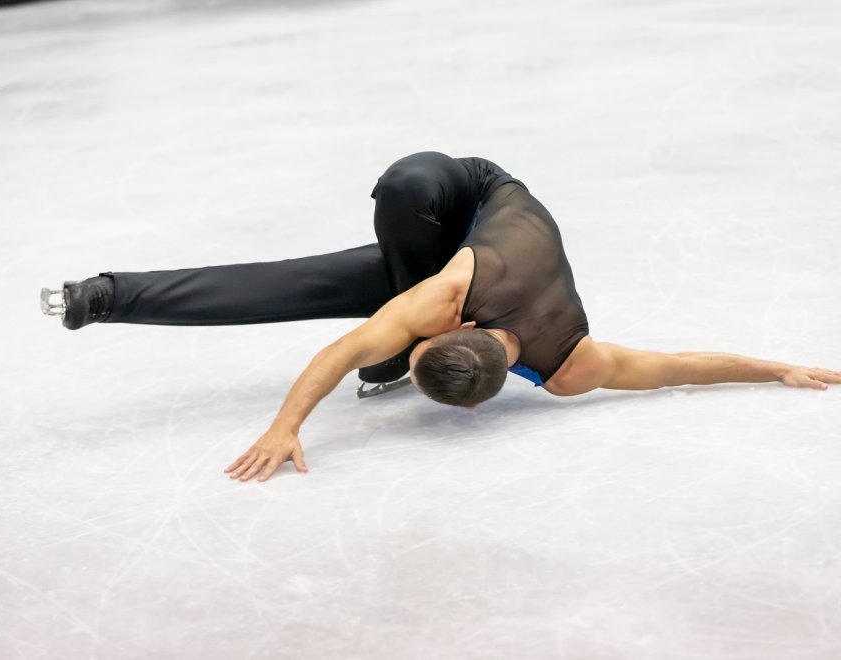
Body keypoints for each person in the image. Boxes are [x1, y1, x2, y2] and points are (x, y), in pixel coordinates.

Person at [41, 151, 841, 483]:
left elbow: (677, 367)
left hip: (472, 241)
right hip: (445, 190)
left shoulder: (575, 369)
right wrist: (288, 426)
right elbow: (340, 351)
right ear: (453, 331)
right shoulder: (451, 299)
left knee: (317, 285)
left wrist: (777, 370)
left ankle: (109, 295)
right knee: (374, 232)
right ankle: (110, 294)